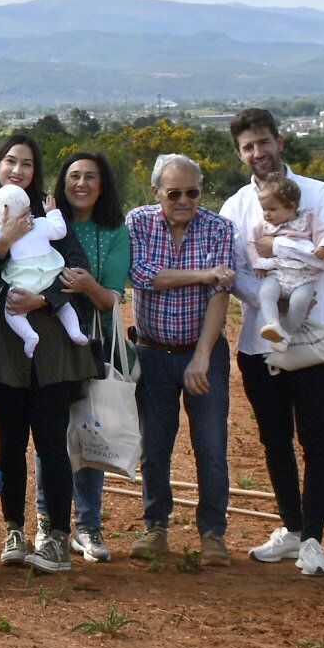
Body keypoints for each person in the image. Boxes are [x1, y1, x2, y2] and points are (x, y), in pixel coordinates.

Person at [221, 109, 324, 574]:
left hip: (311, 339)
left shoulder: (319, 194)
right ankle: (292, 529)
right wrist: (272, 305)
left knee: (315, 435)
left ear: (280, 141)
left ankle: (315, 539)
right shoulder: (235, 208)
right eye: (248, 147)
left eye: (263, 142)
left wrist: (289, 264)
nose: (259, 153)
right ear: (240, 154)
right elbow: (234, 272)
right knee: (274, 439)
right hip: (259, 341)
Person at [0, 134, 98, 574]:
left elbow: (77, 271)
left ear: (35, 173)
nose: (17, 170)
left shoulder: (50, 217)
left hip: (54, 344)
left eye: (26, 163)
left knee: (50, 440)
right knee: (9, 440)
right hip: (2, 343)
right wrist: (2, 242)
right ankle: (14, 530)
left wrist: (43, 301)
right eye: (10, 161)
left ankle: (58, 536)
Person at [127, 154, 235, 569]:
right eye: (174, 193)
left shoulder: (219, 228)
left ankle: (213, 533)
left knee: (210, 446)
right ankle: (156, 527)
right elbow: (142, 275)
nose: (184, 200)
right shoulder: (138, 222)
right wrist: (205, 273)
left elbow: (220, 298)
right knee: (154, 447)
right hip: (152, 353)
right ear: (157, 193)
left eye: (192, 192)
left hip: (201, 352)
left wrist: (202, 358)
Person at [50, 150, 130, 561]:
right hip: (48, 346)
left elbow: (113, 298)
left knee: (89, 433)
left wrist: (88, 288)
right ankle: (49, 525)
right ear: (62, 183)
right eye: (74, 176)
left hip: (93, 348)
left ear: (103, 185)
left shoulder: (114, 230)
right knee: (51, 437)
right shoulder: (48, 224)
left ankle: (88, 526)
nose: (81, 184)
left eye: (90, 177)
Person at [0, 182, 90, 353]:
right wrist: (52, 213)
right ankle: (75, 331)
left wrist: (2, 234)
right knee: (64, 304)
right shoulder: (41, 222)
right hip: (50, 273)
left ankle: (29, 336)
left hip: (24, 279)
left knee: (12, 310)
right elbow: (60, 231)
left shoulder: (0, 232)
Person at [250, 177, 324, 349]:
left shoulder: (308, 219)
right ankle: (273, 324)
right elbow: (251, 243)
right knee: (266, 293)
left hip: (304, 275)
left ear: (291, 206)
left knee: (300, 302)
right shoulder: (264, 225)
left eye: (272, 209)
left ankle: (286, 334)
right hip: (277, 272)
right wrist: (257, 263)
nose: (266, 214)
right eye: (264, 209)